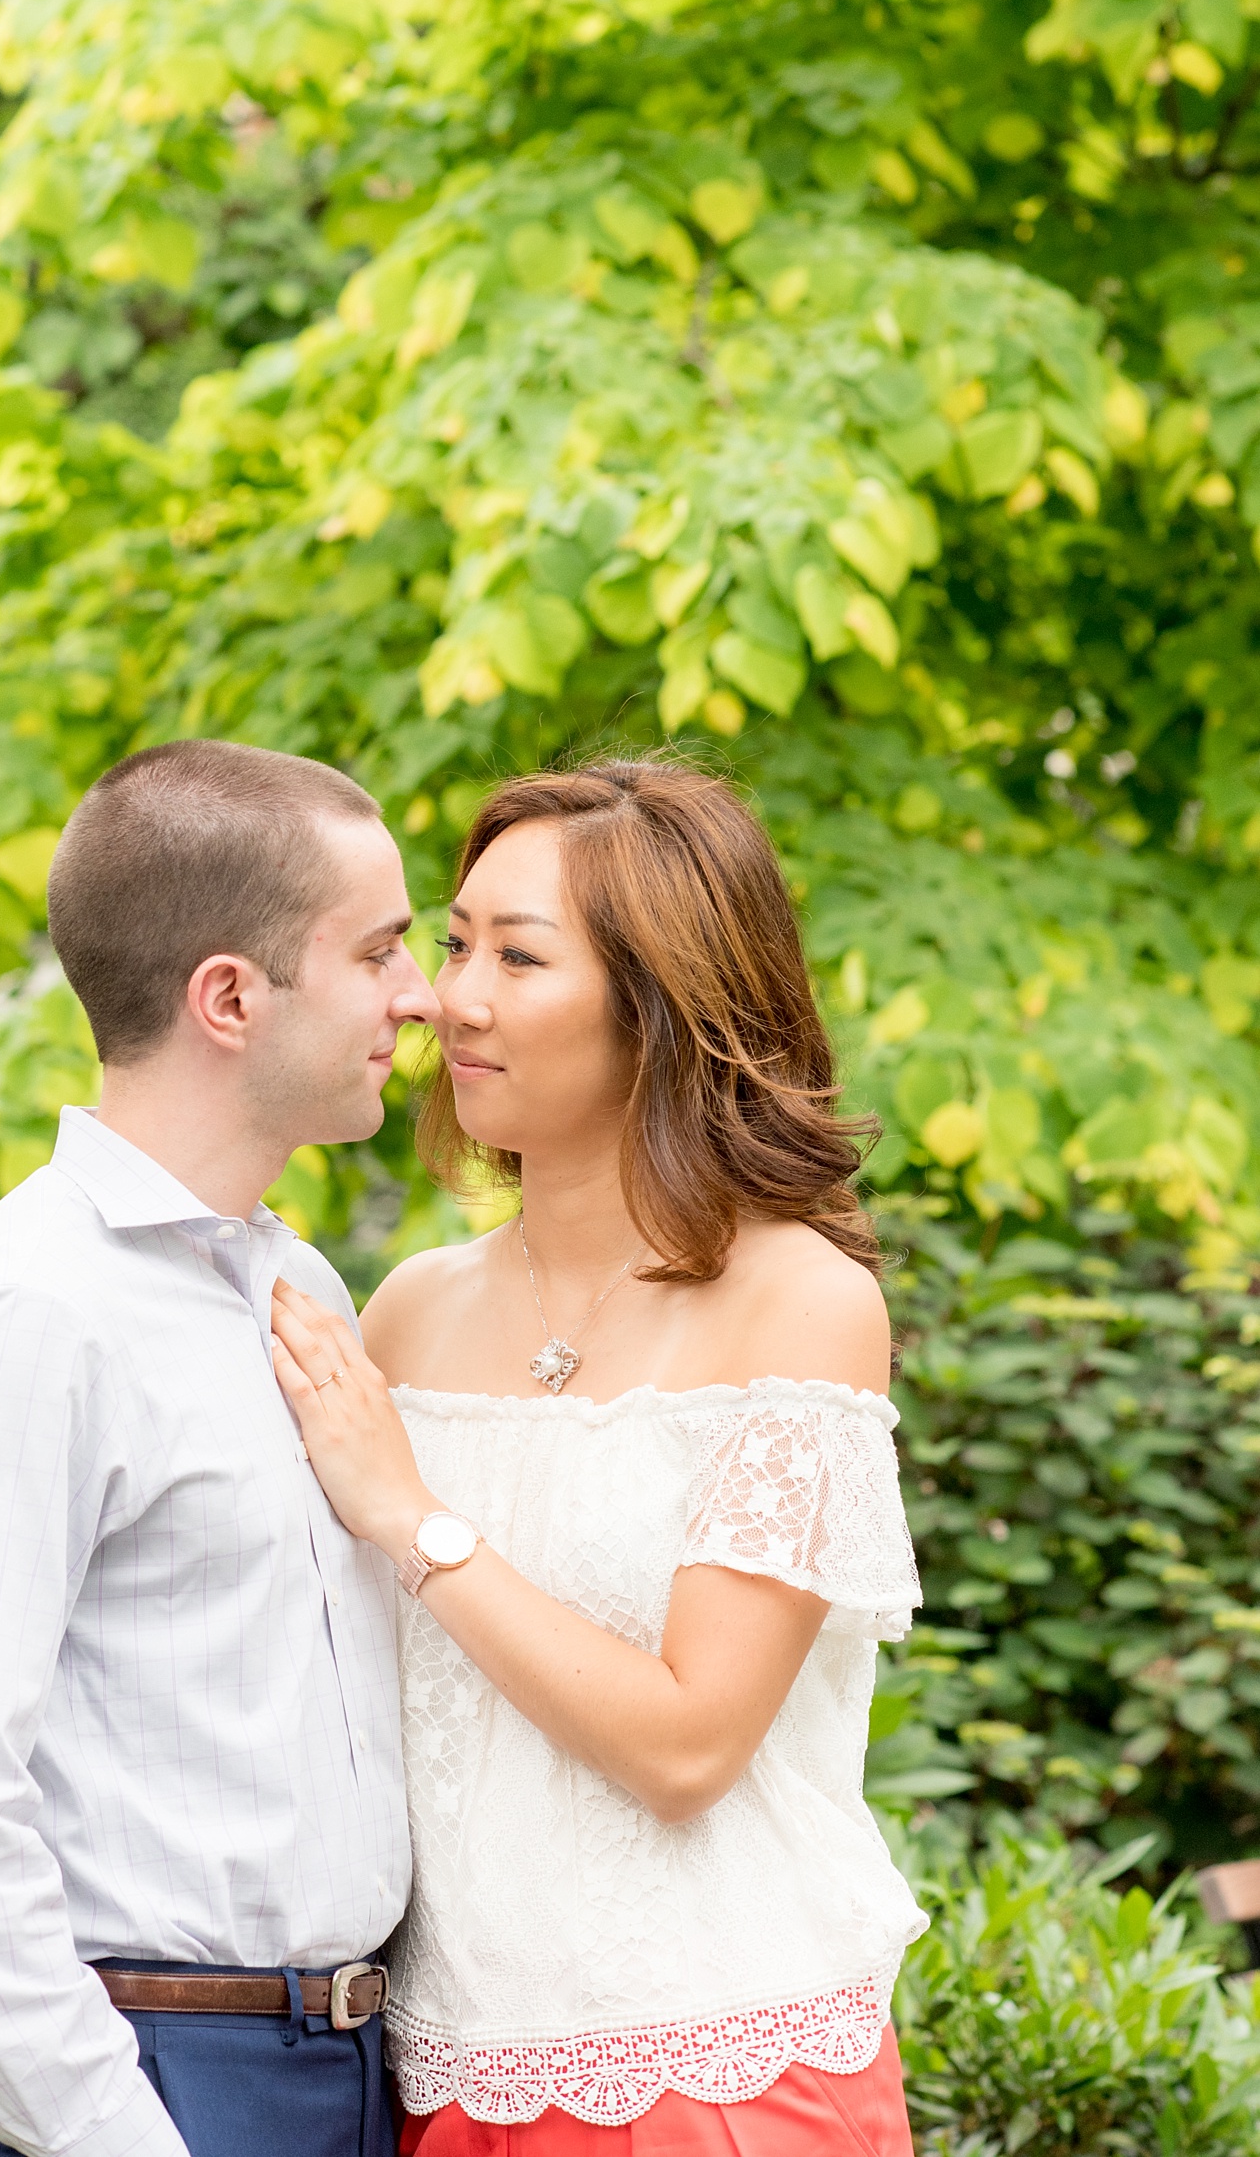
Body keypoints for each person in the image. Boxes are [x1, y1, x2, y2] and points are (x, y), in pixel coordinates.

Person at [269, 758, 926, 2156]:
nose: (452, 996)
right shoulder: (406, 1310)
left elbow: (691, 1742)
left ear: (662, 1006)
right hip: (428, 2082)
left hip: (720, 2082)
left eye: (517, 954)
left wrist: (414, 1519)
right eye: (453, 944)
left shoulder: (798, 1302)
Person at [0, 738, 439, 2157]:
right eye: (379, 952)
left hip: (352, 2075)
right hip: (152, 2086)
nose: (418, 998)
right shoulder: (34, 1311)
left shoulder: (302, 1287)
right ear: (229, 996)